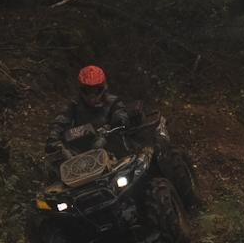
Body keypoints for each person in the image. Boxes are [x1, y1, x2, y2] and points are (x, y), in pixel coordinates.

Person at [44, 63, 203, 209]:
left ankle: (187, 202)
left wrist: (117, 121)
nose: (92, 95)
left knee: (150, 167)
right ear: (81, 90)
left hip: (115, 151)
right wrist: (53, 138)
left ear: (103, 88)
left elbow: (121, 113)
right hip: (81, 159)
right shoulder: (72, 107)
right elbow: (60, 122)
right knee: (55, 194)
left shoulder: (112, 102)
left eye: (96, 90)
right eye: (87, 90)